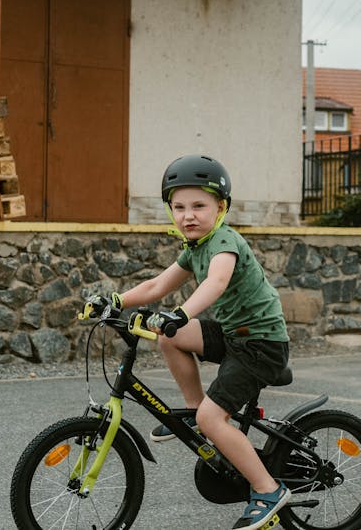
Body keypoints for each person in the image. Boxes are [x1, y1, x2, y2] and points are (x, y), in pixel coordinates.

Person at [100, 154, 291, 530]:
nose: (188, 215)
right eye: (179, 207)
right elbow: (156, 285)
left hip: (262, 343)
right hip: (235, 334)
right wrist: (116, 300)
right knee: (167, 337)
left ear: (220, 208)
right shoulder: (194, 247)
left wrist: (181, 313)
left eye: (199, 206)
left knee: (212, 415)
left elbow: (216, 283)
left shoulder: (224, 240)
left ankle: (268, 490)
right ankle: (194, 412)